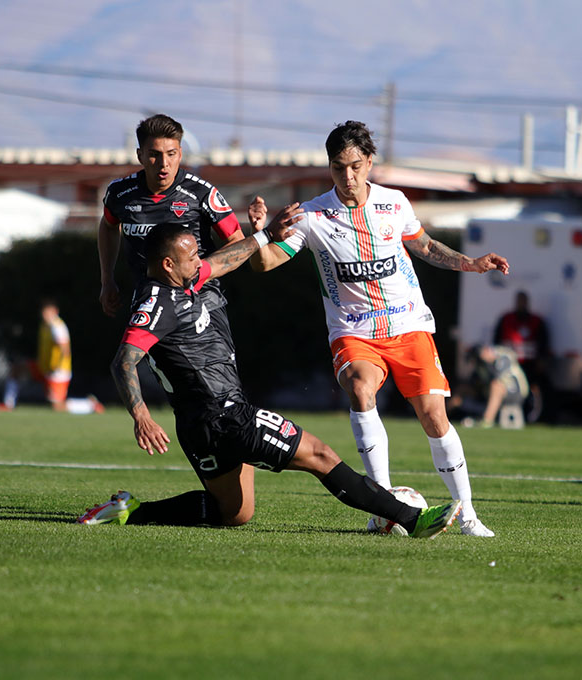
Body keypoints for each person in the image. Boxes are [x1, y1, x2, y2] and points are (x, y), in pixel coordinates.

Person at [77, 220, 462, 539]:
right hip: (224, 417)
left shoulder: (185, 278)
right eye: (192, 256)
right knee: (321, 456)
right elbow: (124, 361)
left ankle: (130, 511)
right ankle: (412, 519)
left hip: (198, 426)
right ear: (166, 264)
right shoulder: (156, 303)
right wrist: (142, 416)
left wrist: (265, 235)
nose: (200, 262)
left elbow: (224, 260)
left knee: (234, 513)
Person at [247, 120, 509, 537]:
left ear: (369, 162)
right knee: (361, 387)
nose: (347, 177)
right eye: (337, 168)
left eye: (354, 166)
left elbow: (424, 246)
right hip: (353, 332)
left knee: (434, 417)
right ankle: (383, 504)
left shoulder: (395, 203)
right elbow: (265, 264)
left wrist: (470, 263)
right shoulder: (312, 216)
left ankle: (470, 516)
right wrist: (260, 233)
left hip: (408, 324)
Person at [98, 114, 245, 320]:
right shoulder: (120, 193)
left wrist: (202, 272)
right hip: (148, 304)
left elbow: (237, 241)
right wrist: (107, 280)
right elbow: (108, 226)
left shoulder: (201, 193)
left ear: (180, 154)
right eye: (154, 154)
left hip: (201, 306)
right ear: (140, 155)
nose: (163, 163)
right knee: (129, 352)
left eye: (171, 153)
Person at [0, 299, 103, 414]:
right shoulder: (45, 326)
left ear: (55, 312)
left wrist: (57, 366)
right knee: (16, 370)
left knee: (57, 406)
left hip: (57, 370)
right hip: (43, 367)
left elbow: (65, 349)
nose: (45, 315)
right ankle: (8, 404)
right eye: (44, 312)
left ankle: (90, 405)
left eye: (48, 312)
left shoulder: (57, 327)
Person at [493, 289, 552, 422]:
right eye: (519, 301)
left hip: (529, 365)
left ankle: (537, 417)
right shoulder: (506, 320)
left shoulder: (536, 321)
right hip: (509, 366)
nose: (521, 304)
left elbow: (543, 344)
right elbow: (496, 343)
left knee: (539, 388)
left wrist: (541, 362)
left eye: (523, 301)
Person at [452, 344, 529, 429]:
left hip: (516, 393)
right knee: (463, 388)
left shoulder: (502, 356)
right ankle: (446, 418)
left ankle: (487, 420)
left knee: (496, 385)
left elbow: (499, 379)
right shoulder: (481, 366)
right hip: (494, 395)